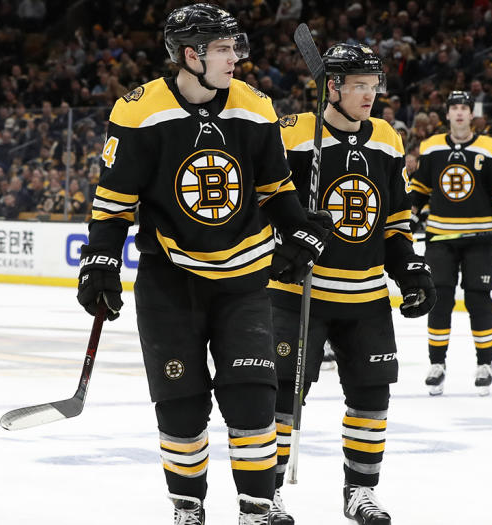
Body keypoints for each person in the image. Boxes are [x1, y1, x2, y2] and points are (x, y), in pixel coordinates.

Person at [75, 5, 332, 524]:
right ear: (191, 55)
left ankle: (256, 512)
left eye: (234, 48)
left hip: (244, 280)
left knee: (252, 401)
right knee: (182, 407)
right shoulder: (138, 111)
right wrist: (100, 260)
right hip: (170, 279)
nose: (235, 58)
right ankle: (189, 509)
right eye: (222, 49)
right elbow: (114, 200)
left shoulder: (255, 107)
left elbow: (277, 190)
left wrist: (303, 228)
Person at [269, 43, 436, 525]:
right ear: (332, 87)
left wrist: (409, 268)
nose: (370, 95)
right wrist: (285, 243)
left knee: (371, 394)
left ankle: (360, 490)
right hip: (299, 292)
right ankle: (269, 491)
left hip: (365, 296)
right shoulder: (294, 135)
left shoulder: (385, 137)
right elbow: (265, 203)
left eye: (374, 85)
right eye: (359, 85)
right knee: (282, 395)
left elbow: (396, 219)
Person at [409, 90, 492, 396]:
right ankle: (437, 365)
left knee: (479, 301)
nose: (460, 113)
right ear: (447, 114)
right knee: (439, 301)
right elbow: (419, 190)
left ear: (471, 114)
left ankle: (484, 364)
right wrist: (409, 215)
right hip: (441, 236)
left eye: (464, 107)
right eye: (455, 108)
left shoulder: (491, 149)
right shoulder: (431, 147)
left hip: (481, 238)